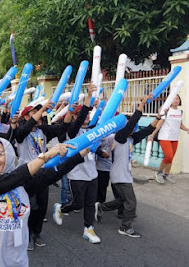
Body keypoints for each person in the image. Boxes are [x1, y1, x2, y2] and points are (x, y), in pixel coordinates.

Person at [0, 136, 87, 267]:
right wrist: (45, 156)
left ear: (9, 155)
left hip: (16, 260)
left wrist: (83, 151)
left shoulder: (21, 184)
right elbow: (13, 178)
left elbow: (54, 173)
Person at [96, 94, 161, 238]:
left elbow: (148, 130)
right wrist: (142, 104)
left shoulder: (131, 139)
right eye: (127, 125)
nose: (132, 128)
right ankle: (125, 227)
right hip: (119, 175)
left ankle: (101, 207)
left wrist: (159, 116)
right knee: (131, 202)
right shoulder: (119, 138)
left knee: (123, 200)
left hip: (125, 175)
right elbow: (132, 123)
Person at [15, 99, 73, 249]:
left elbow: (62, 128)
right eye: (34, 113)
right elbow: (25, 129)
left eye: (39, 112)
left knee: (41, 207)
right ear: (26, 117)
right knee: (29, 207)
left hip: (42, 172)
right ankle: (26, 234)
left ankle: (36, 233)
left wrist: (70, 111)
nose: (39, 115)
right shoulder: (20, 132)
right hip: (27, 174)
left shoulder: (43, 130)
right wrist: (43, 109)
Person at [52, 84, 102, 244]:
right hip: (77, 173)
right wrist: (88, 98)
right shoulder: (71, 133)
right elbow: (80, 118)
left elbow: (95, 147)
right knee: (78, 203)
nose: (86, 117)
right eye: (83, 115)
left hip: (92, 173)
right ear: (75, 117)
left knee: (90, 203)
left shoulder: (92, 130)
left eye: (88, 115)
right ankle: (61, 208)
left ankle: (88, 228)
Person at [150, 95, 189, 184]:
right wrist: (152, 135)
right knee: (169, 156)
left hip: (174, 137)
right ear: (170, 101)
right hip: (165, 137)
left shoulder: (180, 112)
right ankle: (159, 173)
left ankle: (166, 175)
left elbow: (180, 124)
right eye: (174, 99)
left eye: (177, 99)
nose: (176, 100)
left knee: (171, 158)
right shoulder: (166, 111)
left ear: (179, 100)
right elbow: (159, 124)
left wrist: (187, 129)